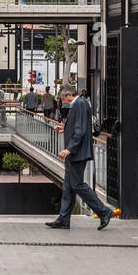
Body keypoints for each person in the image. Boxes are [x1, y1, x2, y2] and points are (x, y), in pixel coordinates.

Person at [45, 85, 112, 231]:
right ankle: (63, 219)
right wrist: (64, 129)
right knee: (68, 187)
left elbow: (80, 130)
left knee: (78, 185)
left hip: (77, 153)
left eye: (62, 99)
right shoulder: (79, 104)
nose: (62, 102)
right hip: (76, 153)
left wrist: (69, 149)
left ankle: (103, 211)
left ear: (68, 95)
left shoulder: (79, 104)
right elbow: (79, 127)